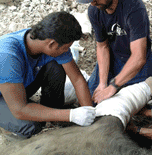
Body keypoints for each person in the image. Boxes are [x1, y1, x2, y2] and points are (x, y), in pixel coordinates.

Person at [0, 11, 96, 141]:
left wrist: (88, 113)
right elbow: (20, 109)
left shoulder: (46, 39)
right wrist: (71, 115)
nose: (66, 51)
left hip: (17, 87)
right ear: (52, 44)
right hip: (5, 97)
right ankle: (8, 129)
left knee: (56, 66)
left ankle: (53, 116)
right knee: (31, 126)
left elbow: (78, 80)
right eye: (66, 47)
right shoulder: (8, 56)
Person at [76, 0, 152, 104]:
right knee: (91, 99)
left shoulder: (134, 7)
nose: (93, 3)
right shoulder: (94, 10)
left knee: (142, 103)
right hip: (114, 59)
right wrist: (102, 83)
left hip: (138, 63)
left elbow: (138, 56)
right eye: (90, 0)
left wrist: (113, 86)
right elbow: (102, 46)